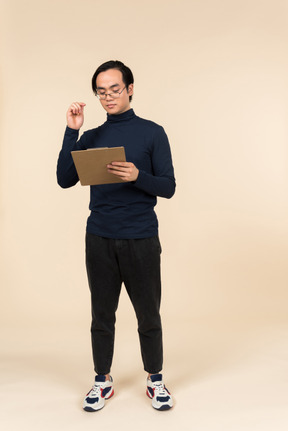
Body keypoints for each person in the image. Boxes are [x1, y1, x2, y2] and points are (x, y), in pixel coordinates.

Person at [57, 60, 176, 411]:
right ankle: (102, 381)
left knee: (148, 315)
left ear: (130, 89)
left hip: (141, 237)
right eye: (101, 91)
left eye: (115, 89)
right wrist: (71, 131)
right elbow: (64, 178)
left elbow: (168, 187)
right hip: (100, 238)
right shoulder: (92, 136)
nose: (108, 96)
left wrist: (138, 175)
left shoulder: (153, 133)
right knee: (101, 315)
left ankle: (155, 380)